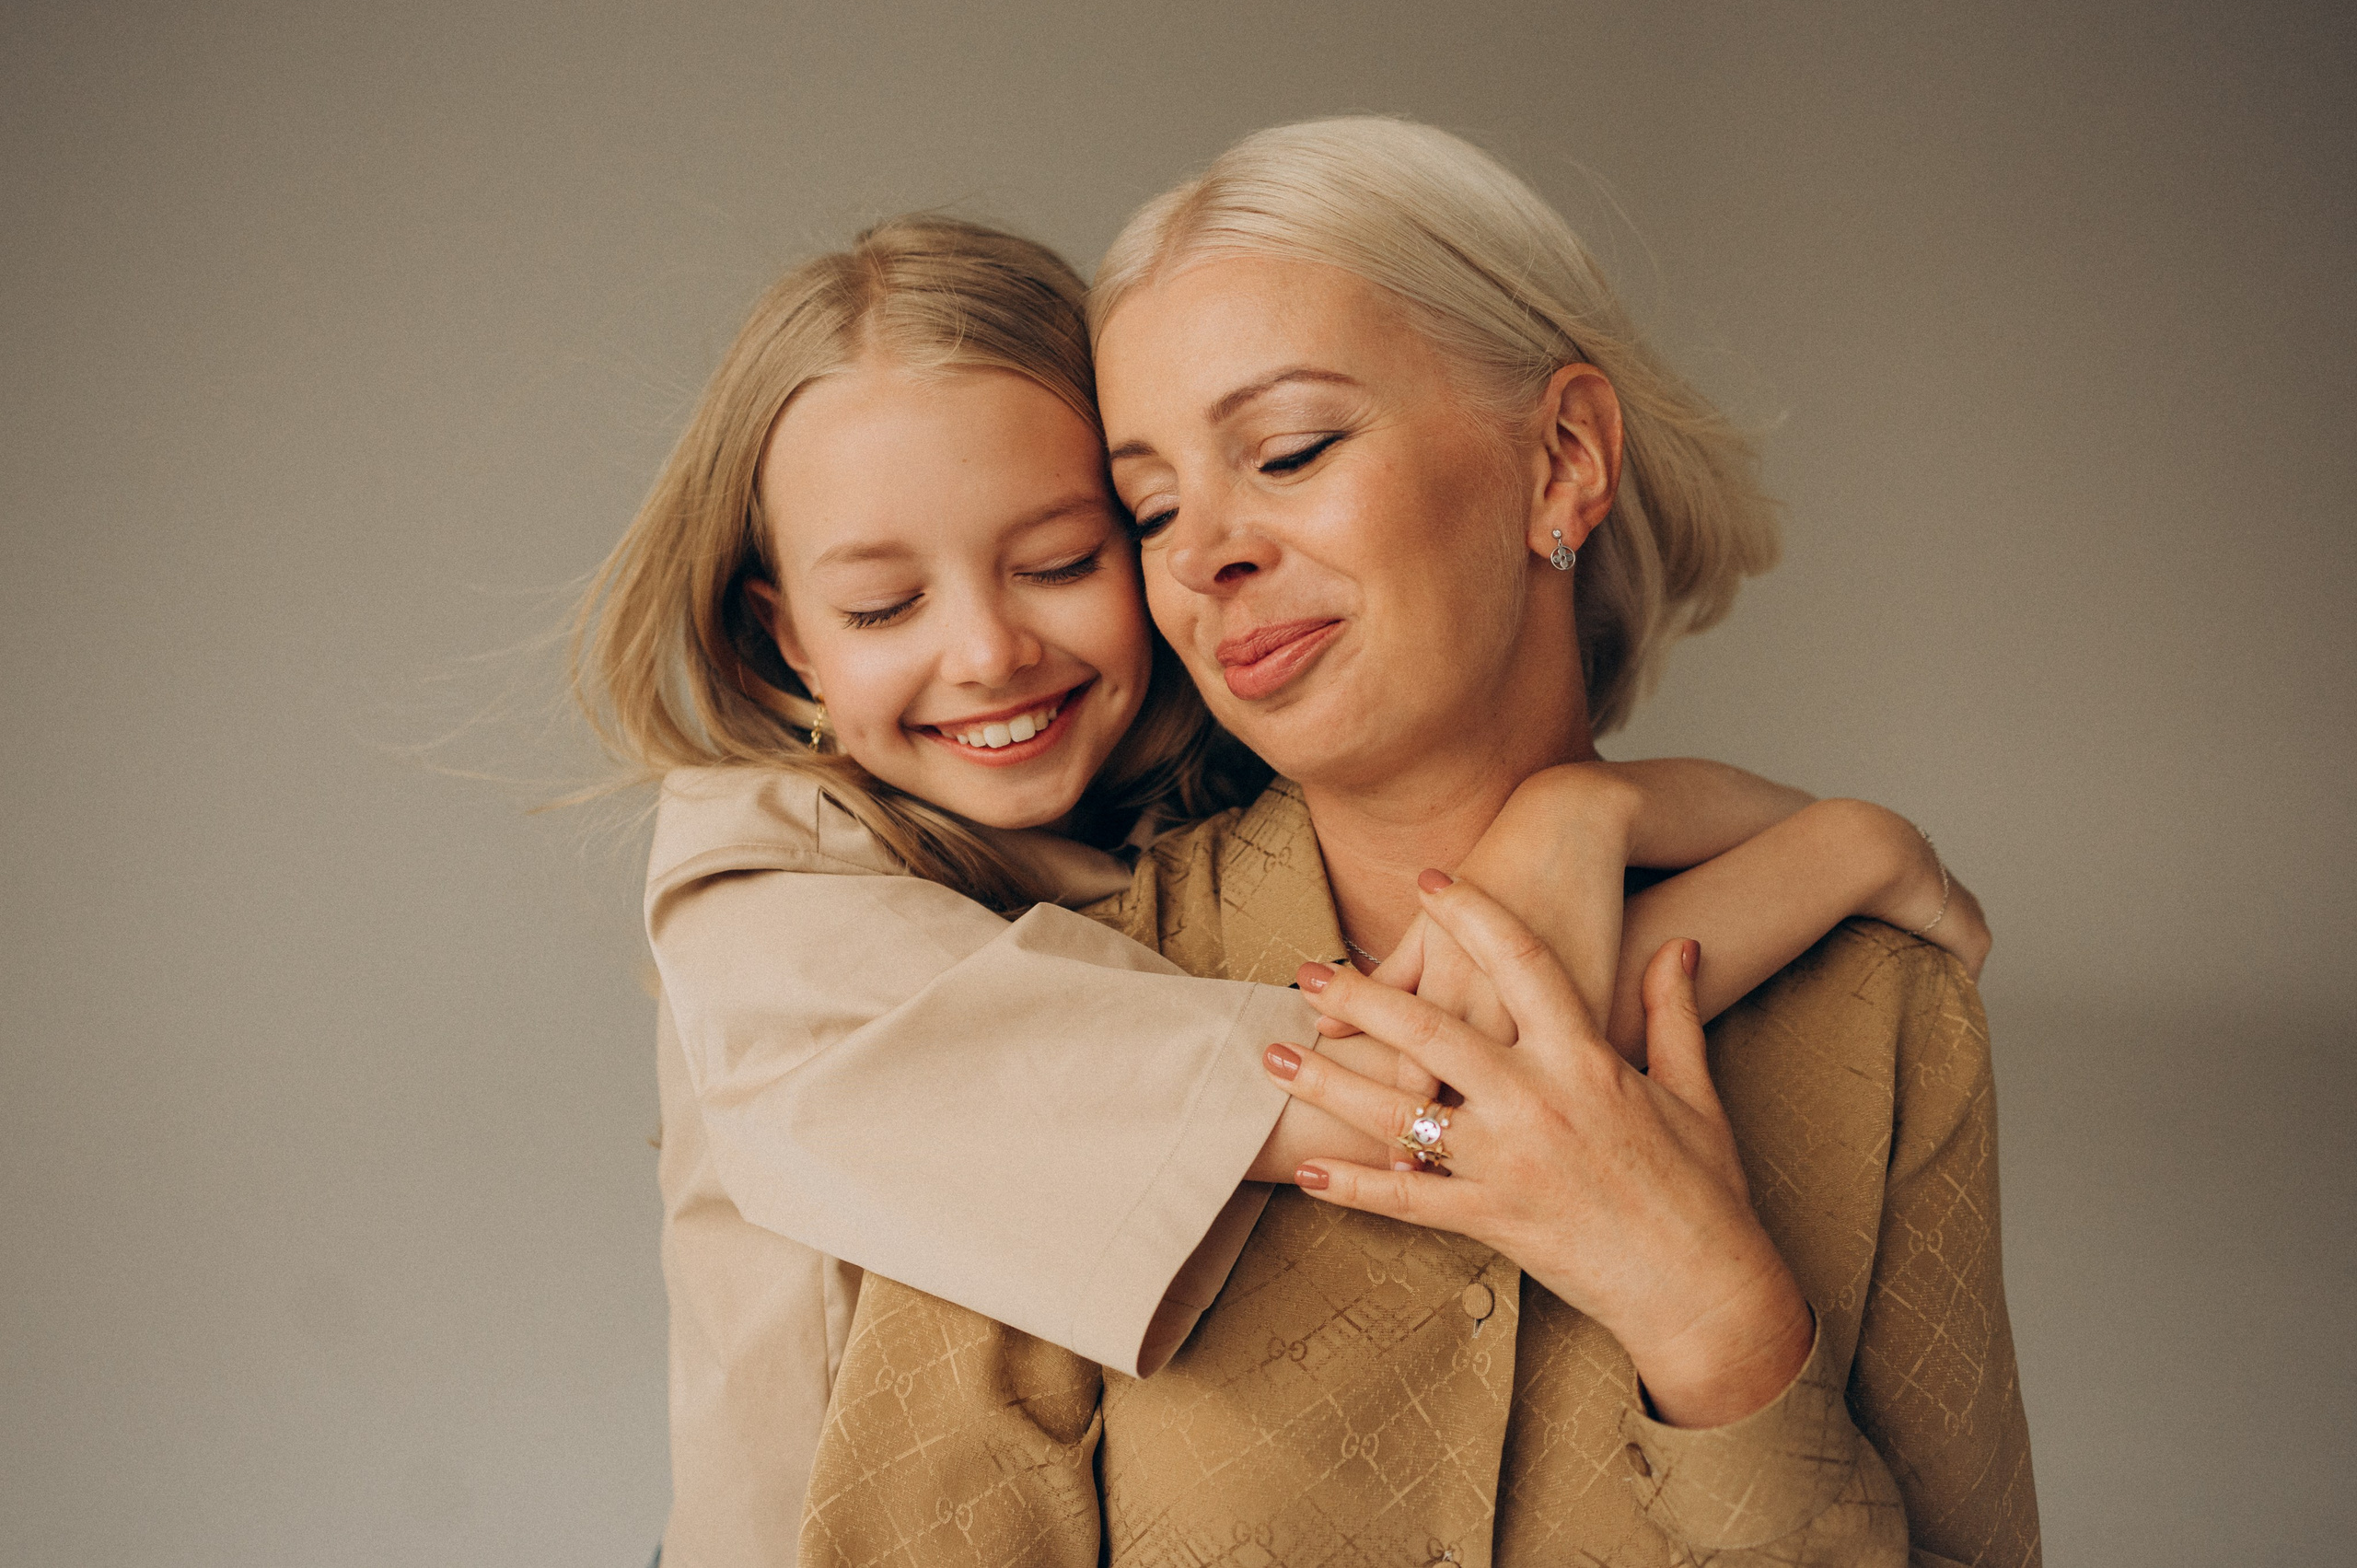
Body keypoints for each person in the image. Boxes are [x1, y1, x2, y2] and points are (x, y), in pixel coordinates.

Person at [572, 216, 1985, 1565]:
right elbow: (1438, 1088)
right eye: (884, 607)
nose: (992, 651)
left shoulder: (1163, 848)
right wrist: (1829, 853)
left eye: (1067, 558)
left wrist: (1600, 804)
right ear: (786, 644)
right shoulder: (763, 900)